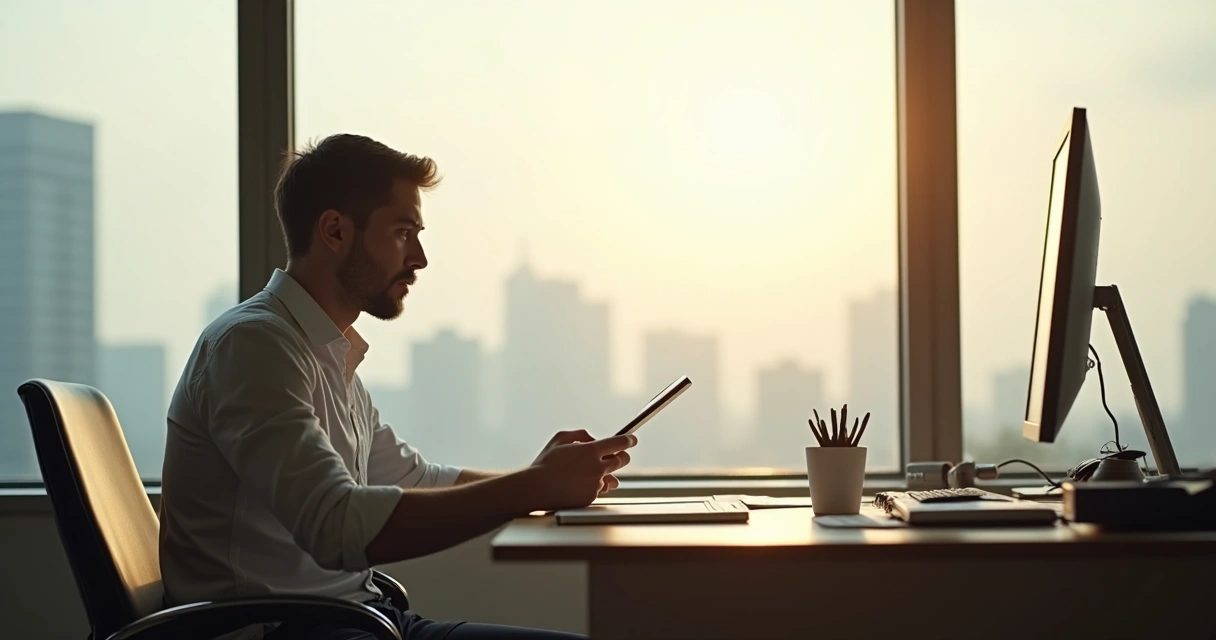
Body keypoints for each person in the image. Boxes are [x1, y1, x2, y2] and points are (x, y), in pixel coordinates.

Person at [159, 134, 636, 640]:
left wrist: (539, 477)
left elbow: (416, 479)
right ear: (335, 231)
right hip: (287, 632)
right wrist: (535, 486)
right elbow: (335, 525)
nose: (421, 258)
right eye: (403, 232)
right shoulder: (253, 346)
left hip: (359, 621)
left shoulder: (324, 351)